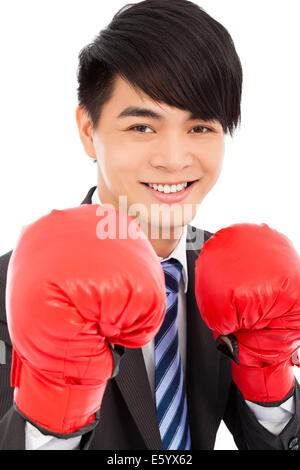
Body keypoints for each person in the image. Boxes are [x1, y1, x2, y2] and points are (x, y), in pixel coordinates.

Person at [0, 0, 299, 451]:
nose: (174, 159)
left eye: (200, 127)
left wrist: (269, 374)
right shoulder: (8, 288)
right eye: (142, 127)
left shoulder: (237, 281)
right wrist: (54, 415)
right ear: (88, 130)